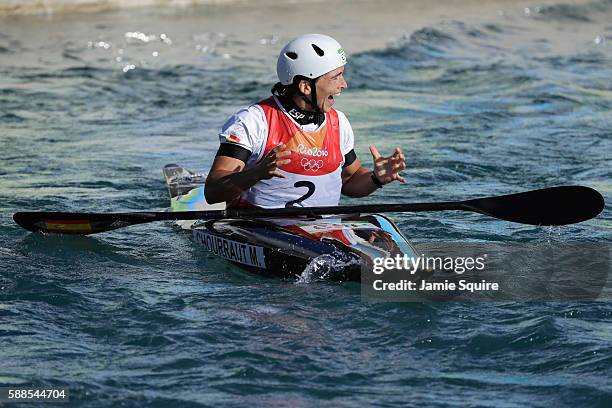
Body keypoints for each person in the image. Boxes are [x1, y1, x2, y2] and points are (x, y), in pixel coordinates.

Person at [205, 33, 406, 208]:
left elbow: (350, 180)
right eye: (336, 77)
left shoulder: (339, 122)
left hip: (322, 233)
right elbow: (213, 191)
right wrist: (256, 173)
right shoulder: (254, 121)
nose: (344, 84)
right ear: (305, 87)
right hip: (262, 230)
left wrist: (376, 178)